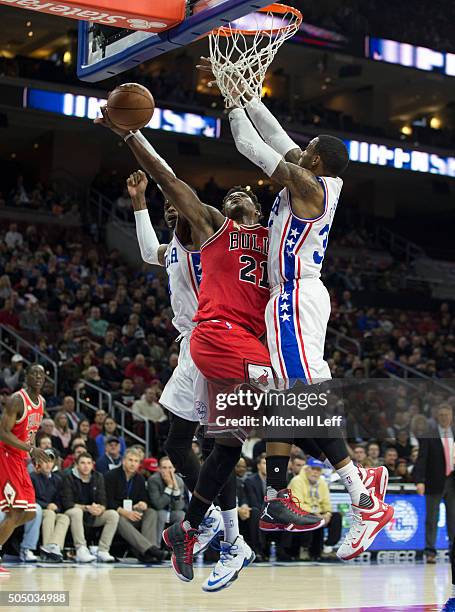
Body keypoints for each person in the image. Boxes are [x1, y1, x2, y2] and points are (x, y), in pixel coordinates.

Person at [213, 66, 393, 560]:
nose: (298, 148)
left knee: (300, 397)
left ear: (315, 158)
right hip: (290, 298)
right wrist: (247, 94)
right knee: (283, 398)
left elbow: (255, 148)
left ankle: (362, 496)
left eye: (305, 146)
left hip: (295, 296)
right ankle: (282, 496)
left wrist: (230, 103)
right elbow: (272, 133)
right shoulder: (313, 180)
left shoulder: (309, 187)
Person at [0, 364, 48, 575]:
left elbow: (31, 432)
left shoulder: (42, 402)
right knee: (15, 512)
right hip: (6, 457)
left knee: (30, 513)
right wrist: (31, 448)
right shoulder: (17, 400)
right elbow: (2, 433)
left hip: (21, 459)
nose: (38, 376)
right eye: (33, 373)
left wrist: (33, 454)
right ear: (26, 377)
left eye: (41, 374)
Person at [104, 448, 165, 563]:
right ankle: (151, 550)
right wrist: (124, 512)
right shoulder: (110, 476)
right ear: (123, 461)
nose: (133, 463)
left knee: (151, 512)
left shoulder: (139, 479)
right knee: (118, 519)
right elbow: (107, 501)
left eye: (136, 461)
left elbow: (145, 499)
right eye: (130, 460)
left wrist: (143, 504)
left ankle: (147, 552)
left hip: (133, 514)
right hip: (117, 515)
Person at [414, 404, 455, 564]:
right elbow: (421, 460)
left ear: (451, 416)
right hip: (434, 481)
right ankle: (430, 551)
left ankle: (453, 550)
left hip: (453, 481)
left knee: (453, 518)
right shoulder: (428, 435)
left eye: (447, 414)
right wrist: (419, 480)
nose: (445, 417)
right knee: (432, 518)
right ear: (438, 417)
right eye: (442, 415)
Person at [61, 452, 119, 563]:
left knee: (113, 514)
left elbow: (103, 501)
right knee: (77, 511)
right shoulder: (68, 477)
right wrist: (87, 508)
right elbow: (67, 503)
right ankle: (81, 549)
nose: (86, 466)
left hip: (91, 515)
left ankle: (103, 550)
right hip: (72, 514)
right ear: (76, 465)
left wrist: (100, 509)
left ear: (93, 465)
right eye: (82, 463)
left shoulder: (98, 477)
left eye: (88, 463)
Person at [289, 458, 342, 560]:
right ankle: (304, 549)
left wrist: (327, 513)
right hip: (298, 513)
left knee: (336, 517)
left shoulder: (322, 482)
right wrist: (316, 513)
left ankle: (327, 548)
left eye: (318, 470)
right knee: (310, 517)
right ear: (306, 469)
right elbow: (297, 504)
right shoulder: (297, 481)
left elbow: (326, 502)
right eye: (313, 469)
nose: (315, 472)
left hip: (317, 512)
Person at [30, 448, 69, 562]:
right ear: (39, 463)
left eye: (50, 461)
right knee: (50, 514)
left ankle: (55, 547)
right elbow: (31, 498)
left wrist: (56, 506)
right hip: (37, 510)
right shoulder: (32, 477)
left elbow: (59, 501)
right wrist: (46, 505)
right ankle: (47, 550)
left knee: (64, 517)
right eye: (44, 461)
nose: (48, 464)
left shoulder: (57, 479)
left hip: (51, 510)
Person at [147, 457, 187, 548]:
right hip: (158, 511)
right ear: (159, 469)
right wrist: (169, 487)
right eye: (164, 468)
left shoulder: (179, 481)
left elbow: (179, 507)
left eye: (170, 467)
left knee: (181, 515)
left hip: (172, 511)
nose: (168, 471)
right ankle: (156, 547)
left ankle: (178, 548)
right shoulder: (153, 480)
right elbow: (158, 505)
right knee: (160, 514)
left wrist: (176, 489)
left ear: (174, 469)